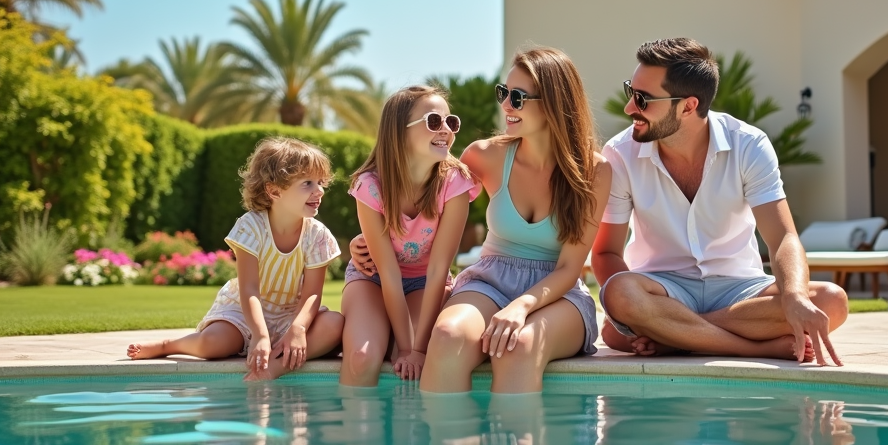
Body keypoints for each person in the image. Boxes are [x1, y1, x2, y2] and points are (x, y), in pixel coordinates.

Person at [591, 38, 848, 366]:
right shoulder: (619, 153)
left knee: (831, 302)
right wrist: (632, 309)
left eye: (642, 99)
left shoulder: (748, 145)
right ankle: (749, 346)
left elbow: (782, 237)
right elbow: (605, 252)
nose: (630, 108)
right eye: (631, 91)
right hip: (662, 289)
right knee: (619, 294)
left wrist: (796, 297)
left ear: (687, 106)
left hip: (739, 289)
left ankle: (675, 337)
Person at [418, 46, 612, 393]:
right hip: (489, 280)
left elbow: (570, 267)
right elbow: (425, 211)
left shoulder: (594, 171)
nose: (506, 105)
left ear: (554, 102)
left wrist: (521, 306)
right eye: (503, 93)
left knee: (519, 347)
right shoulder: (484, 156)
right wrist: (371, 240)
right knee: (448, 336)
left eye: (518, 97)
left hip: (558, 293)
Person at [127, 137, 344, 380]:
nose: (320, 190)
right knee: (213, 344)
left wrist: (298, 328)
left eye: (321, 182)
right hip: (244, 311)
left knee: (335, 324)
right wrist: (260, 334)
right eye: (307, 183)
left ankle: (273, 367)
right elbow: (249, 289)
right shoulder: (251, 226)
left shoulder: (318, 235)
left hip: (290, 314)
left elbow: (312, 295)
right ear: (274, 191)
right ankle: (169, 345)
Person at [340, 85, 480, 386]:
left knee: (423, 356)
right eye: (433, 121)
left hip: (424, 284)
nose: (446, 130)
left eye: (450, 122)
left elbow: (438, 269)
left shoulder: (455, 183)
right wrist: (405, 348)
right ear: (399, 132)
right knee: (362, 359)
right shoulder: (370, 186)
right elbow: (388, 272)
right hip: (372, 279)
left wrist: (414, 349)